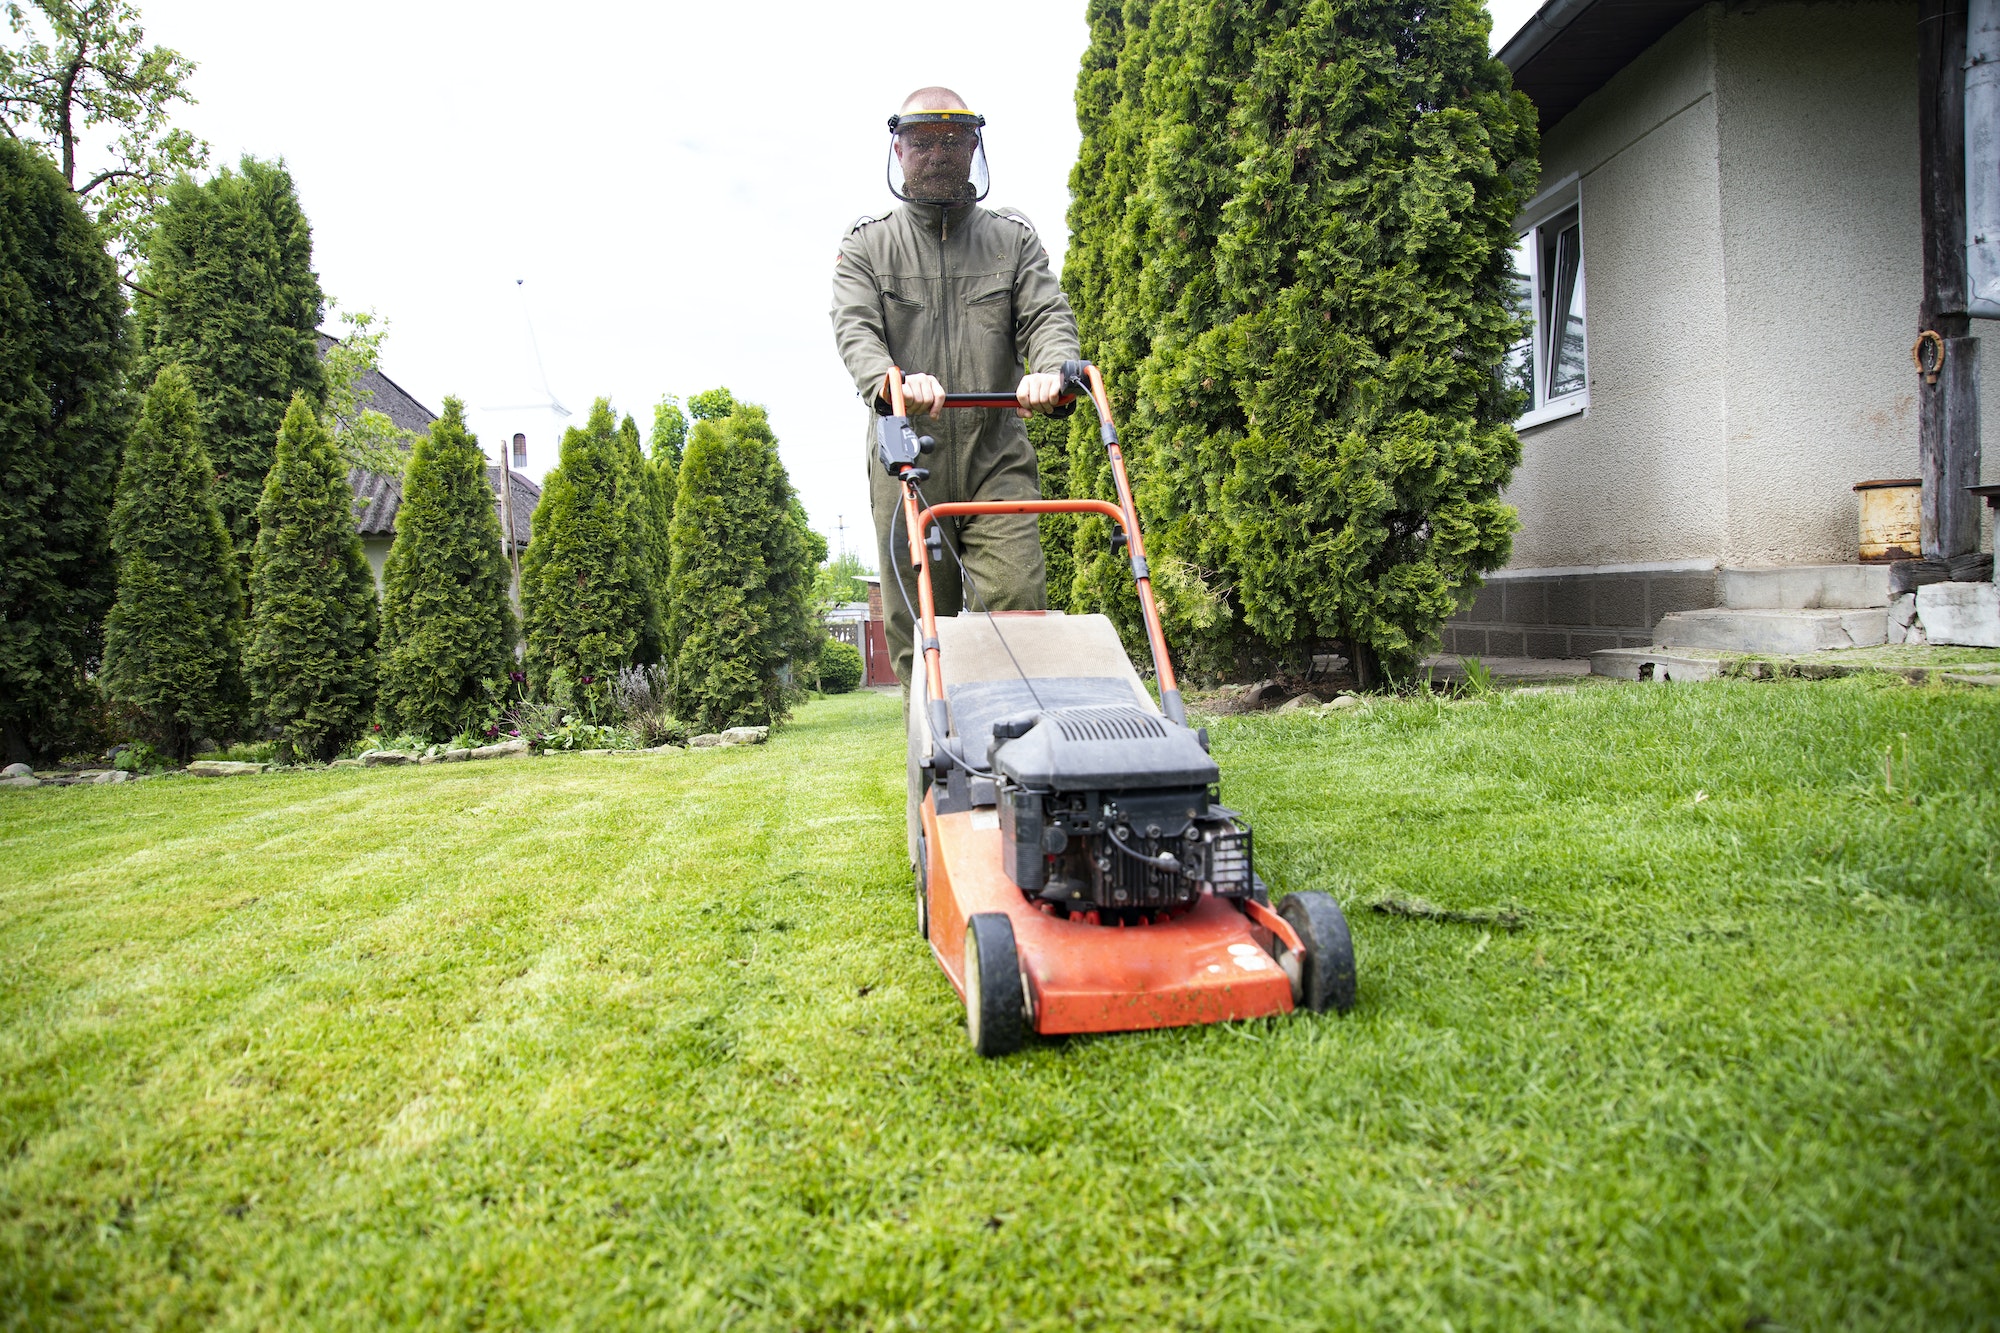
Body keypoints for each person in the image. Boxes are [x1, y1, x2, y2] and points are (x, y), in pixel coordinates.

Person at [829, 85, 1082, 689]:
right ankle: (938, 768)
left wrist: (1052, 369)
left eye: (952, 139)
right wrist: (891, 382)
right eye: (922, 141)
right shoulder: (868, 244)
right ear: (898, 148)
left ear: (974, 146)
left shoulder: (1012, 240)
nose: (937, 152)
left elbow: (1047, 316)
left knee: (1018, 608)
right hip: (907, 459)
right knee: (923, 629)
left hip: (996, 453)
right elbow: (855, 329)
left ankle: (1021, 760)